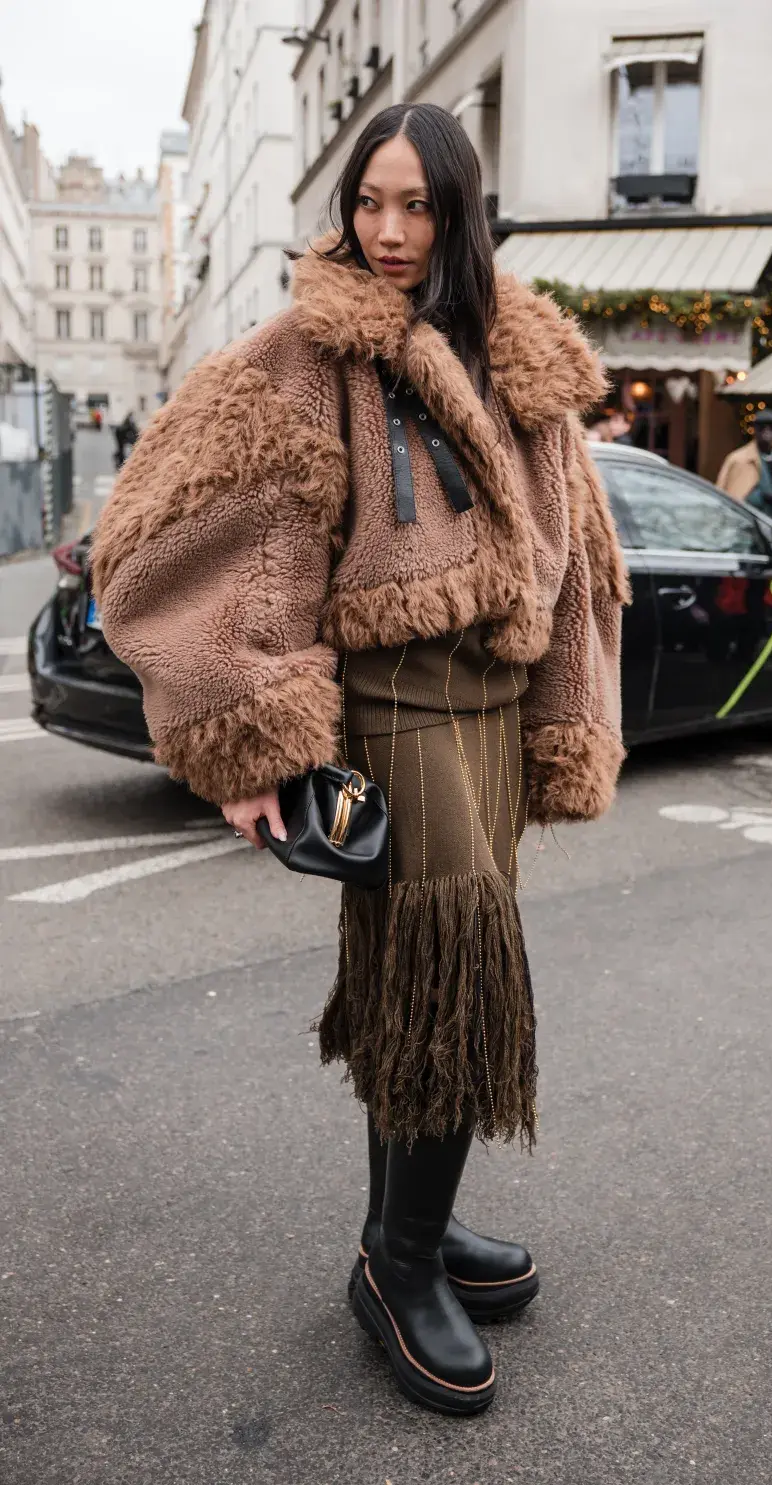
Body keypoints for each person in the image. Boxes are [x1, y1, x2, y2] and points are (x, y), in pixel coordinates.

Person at [90, 103, 627, 1416]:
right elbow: (180, 536)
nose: (387, 233)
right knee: (454, 979)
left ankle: (413, 1231)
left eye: (416, 206)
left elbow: (576, 541)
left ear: (459, 212)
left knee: (415, 988)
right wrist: (245, 728)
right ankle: (395, 1265)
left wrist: (570, 697)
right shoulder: (304, 350)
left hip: (492, 716)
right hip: (399, 713)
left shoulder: (516, 347)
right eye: (367, 203)